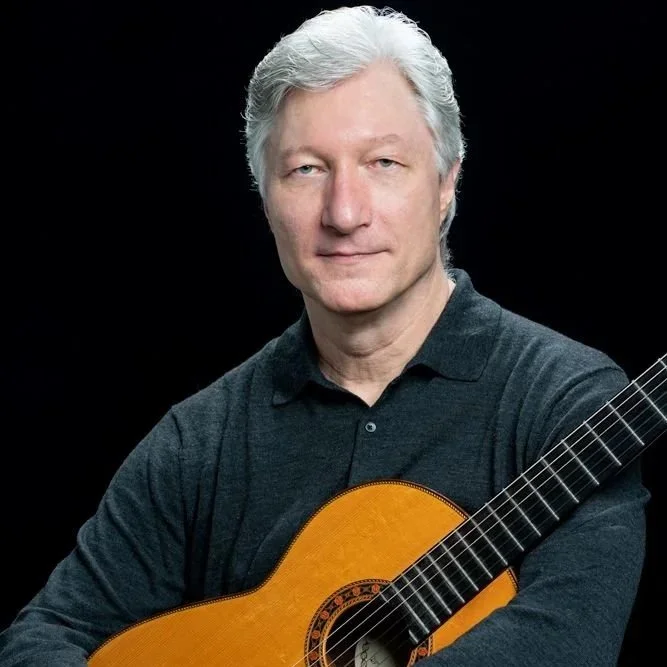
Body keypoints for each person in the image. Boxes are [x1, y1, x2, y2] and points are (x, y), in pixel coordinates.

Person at [0, 5, 649, 666]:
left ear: (446, 182)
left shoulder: (566, 403)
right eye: (306, 169)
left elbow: (566, 640)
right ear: (265, 197)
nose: (344, 212)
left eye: (383, 162)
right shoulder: (200, 444)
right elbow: (41, 639)